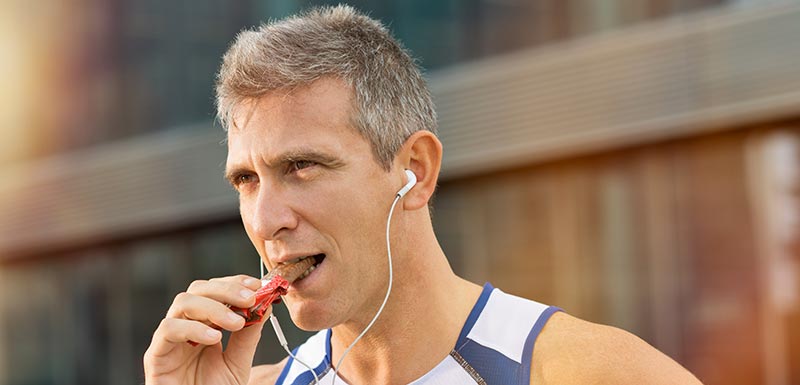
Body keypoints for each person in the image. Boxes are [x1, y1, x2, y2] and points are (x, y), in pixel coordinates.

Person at [143, 5, 702, 385]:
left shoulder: (593, 373)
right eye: (246, 180)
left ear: (415, 169)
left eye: (302, 166)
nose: (266, 219)